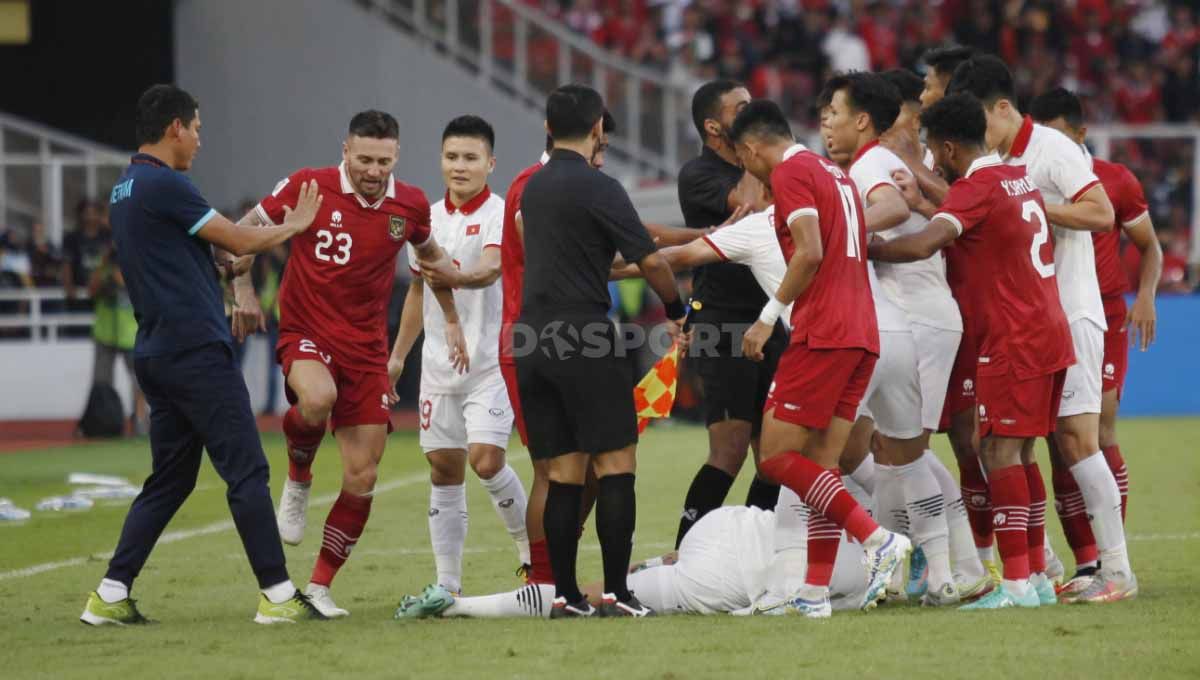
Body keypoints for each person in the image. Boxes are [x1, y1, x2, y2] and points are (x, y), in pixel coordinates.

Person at [80, 84, 324, 625]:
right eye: (196, 129)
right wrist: (294, 227)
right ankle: (279, 596)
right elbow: (237, 239)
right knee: (246, 470)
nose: (198, 140)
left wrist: (223, 274)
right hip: (194, 349)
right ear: (174, 128)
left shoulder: (126, 187)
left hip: (158, 350)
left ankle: (111, 594)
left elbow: (196, 253)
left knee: (171, 479)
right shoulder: (165, 184)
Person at [238, 110, 467, 618]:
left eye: (383, 161)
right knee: (318, 399)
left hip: (366, 349)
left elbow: (431, 260)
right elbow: (240, 232)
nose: (372, 169)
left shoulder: (407, 203)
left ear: (397, 157)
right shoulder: (308, 187)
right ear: (345, 150)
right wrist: (242, 290)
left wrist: (453, 311)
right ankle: (298, 476)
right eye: (363, 158)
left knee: (363, 476)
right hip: (307, 332)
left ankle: (319, 588)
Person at [868, 92, 1076, 610]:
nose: (933, 162)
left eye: (934, 153)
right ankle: (1037, 580)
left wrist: (861, 249)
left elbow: (922, 245)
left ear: (947, 146)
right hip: (1047, 327)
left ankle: (1015, 584)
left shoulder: (977, 186)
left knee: (997, 451)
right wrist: (920, 202)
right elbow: (984, 233)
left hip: (1013, 336)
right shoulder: (1016, 176)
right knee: (1022, 452)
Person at [948, 56, 1136, 604]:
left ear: (1004, 108)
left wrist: (1037, 206)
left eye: (984, 119)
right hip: (1037, 321)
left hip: (1073, 310)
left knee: (1079, 439)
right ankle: (1048, 570)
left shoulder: (1055, 149)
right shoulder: (1003, 159)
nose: (981, 132)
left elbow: (1102, 212)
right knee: (1038, 444)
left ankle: (1118, 570)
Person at [727, 99, 910, 619]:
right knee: (821, 468)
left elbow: (808, 250)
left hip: (824, 331)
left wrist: (768, 315)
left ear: (750, 148)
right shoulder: (836, 173)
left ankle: (877, 540)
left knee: (778, 456)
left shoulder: (792, 173)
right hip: (862, 330)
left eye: (744, 161)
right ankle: (813, 593)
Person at [517, 84, 687, 617]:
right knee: (616, 465)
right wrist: (678, 310)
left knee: (563, 472)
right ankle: (617, 591)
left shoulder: (531, 189)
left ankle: (565, 596)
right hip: (584, 336)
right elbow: (652, 261)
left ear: (548, 127)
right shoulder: (600, 187)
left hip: (531, 339)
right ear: (596, 130)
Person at [393, 477, 876, 620]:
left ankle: (458, 601)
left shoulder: (851, 505)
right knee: (592, 597)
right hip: (725, 579)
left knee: (589, 590)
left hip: (723, 528)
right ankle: (461, 608)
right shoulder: (858, 581)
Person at [1030, 87, 1162, 597]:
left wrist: (1146, 296)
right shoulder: (1031, 175)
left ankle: (1114, 556)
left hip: (1103, 317)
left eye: (1059, 135)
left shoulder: (1114, 181)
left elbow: (1149, 247)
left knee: (1098, 431)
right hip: (1049, 315)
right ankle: (1087, 563)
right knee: (1058, 441)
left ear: (1080, 135)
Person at [391, 115, 530, 594]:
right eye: (452, 157)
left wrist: (451, 278)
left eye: (471, 158)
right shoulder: (425, 218)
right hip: (438, 366)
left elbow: (491, 268)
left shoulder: (500, 214)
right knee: (443, 470)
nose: (460, 166)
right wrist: (397, 357)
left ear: (490, 163)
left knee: (487, 460)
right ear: (440, 160)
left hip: (490, 361)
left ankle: (530, 555)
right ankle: (447, 584)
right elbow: (416, 293)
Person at [498, 114, 617, 588]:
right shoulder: (534, 186)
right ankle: (542, 581)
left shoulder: (575, 186)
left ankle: (556, 559)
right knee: (554, 469)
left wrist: (696, 241)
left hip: (574, 339)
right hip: (538, 339)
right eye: (599, 146)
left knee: (588, 467)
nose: (602, 159)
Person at [674, 80, 785, 546]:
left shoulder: (762, 161)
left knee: (778, 454)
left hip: (772, 316)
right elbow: (753, 205)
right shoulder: (699, 175)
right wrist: (754, 153)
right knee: (730, 449)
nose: (751, 110)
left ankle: (756, 549)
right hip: (721, 321)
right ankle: (687, 551)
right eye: (740, 108)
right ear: (713, 125)